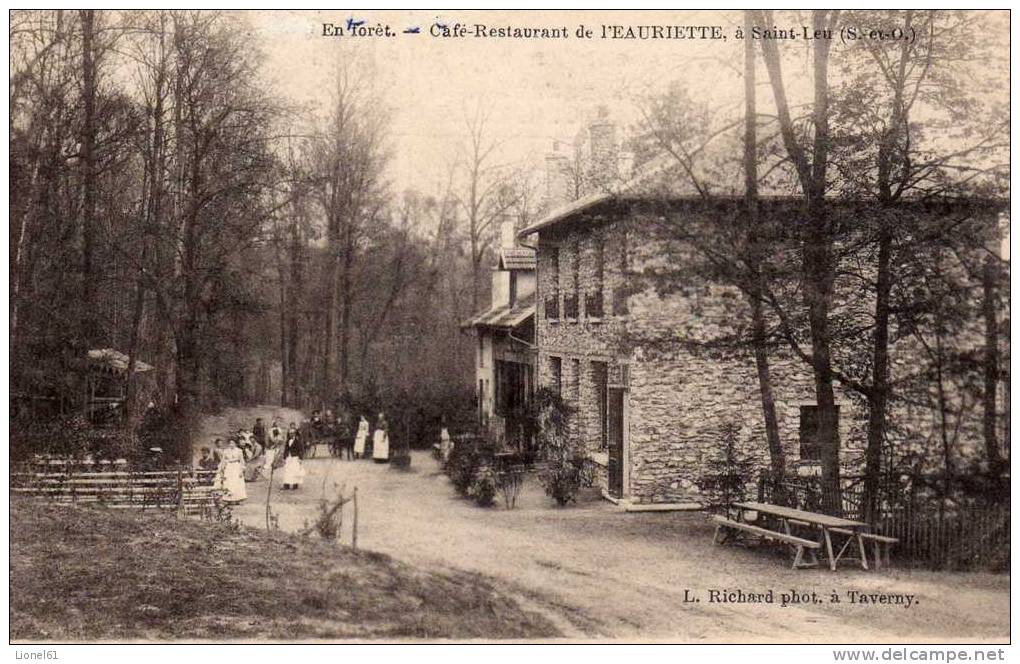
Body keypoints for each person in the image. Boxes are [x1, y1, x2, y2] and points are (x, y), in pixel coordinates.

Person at [218, 438, 247, 502]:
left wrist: (241, 470)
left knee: (236, 482)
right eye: (230, 443)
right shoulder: (226, 451)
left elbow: (242, 461)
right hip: (229, 467)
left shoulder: (239, 451)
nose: (231, 445)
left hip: (236, 466)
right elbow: (223, 461)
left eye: (233, 443)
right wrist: (221, 469)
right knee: (229, 482)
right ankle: (229, 498)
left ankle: (237, 498)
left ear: (235, 444)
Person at [280, 425, 305, 490]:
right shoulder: (288, 441)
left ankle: (295, 485)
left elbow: (301, 450)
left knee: (295, 471)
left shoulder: (298, 441)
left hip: (295, 458)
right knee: (287, 470)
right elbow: (286, 449)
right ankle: (286, 485)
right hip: (289, 457)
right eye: (290, 433)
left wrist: (300, 458)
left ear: (295, 434)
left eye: (292, 433)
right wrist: (284, 457)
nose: (291, 434)